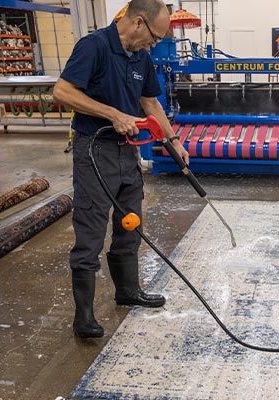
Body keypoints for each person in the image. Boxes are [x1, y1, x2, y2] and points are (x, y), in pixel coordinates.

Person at [53, 0, 189, 338]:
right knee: (91, 233)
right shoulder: (95, 46)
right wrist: (112, 114)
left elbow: (150, 102)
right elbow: (62, 91)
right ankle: (83, 318)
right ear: (138, 23)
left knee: (131, 225)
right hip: (95, 150)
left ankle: (127, 291)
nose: (155, 45)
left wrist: (174, 140)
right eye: (155, 37)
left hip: (128, 153)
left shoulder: (141, 57)